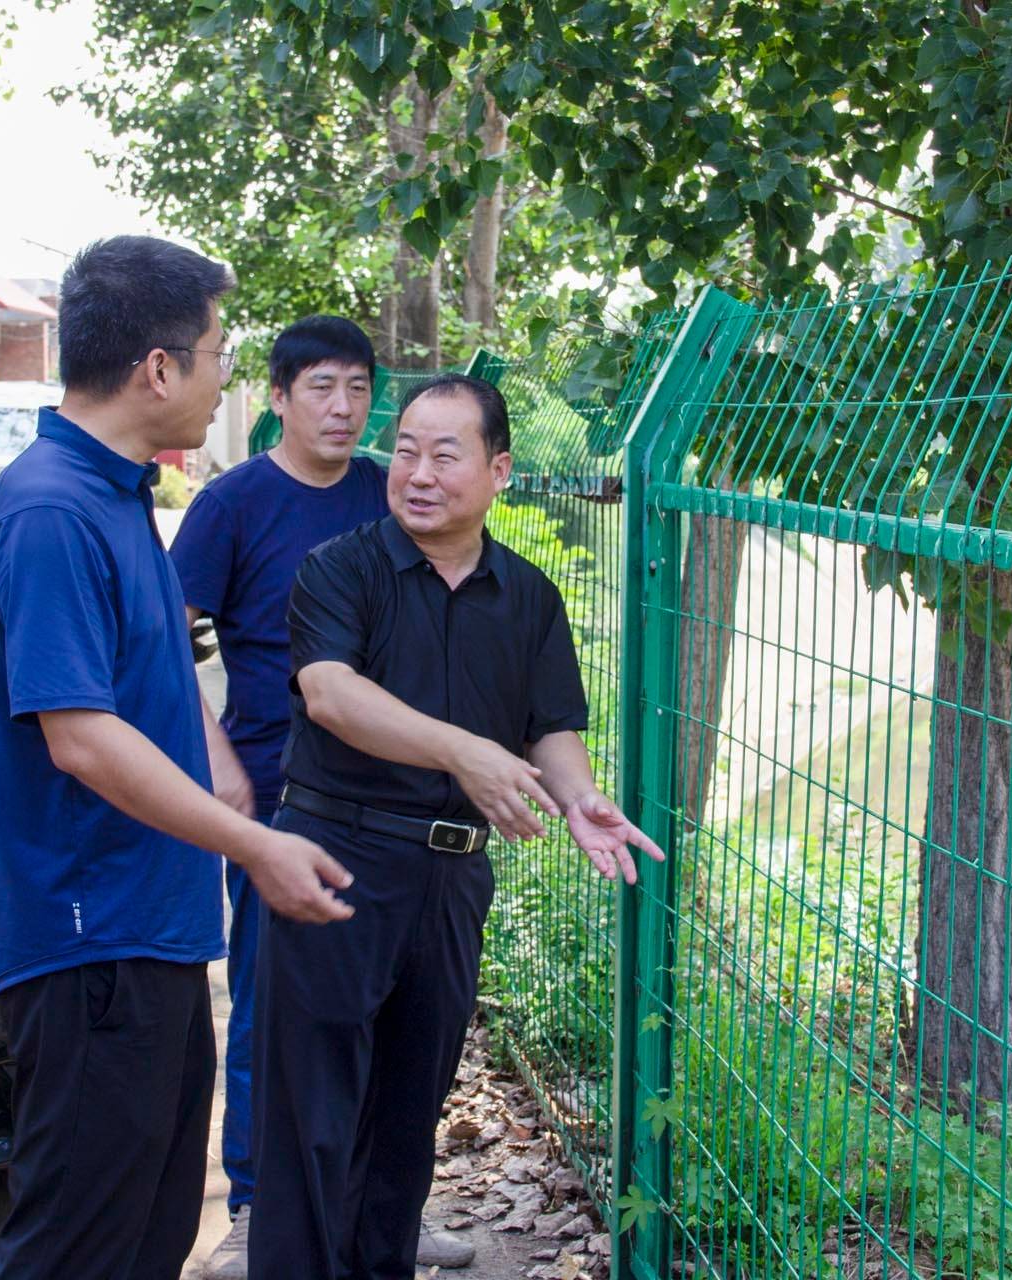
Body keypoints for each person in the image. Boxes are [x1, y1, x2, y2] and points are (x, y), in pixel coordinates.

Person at [0, 235, 355, 1280]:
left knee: (149, 1230)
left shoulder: (119, 493)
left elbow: (147, 679)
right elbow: (79, 735)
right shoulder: (51, 508)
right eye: (219, 349)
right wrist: (255, 844)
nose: (228, 371)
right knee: (78, 1242)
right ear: (158, 368)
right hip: (95, 940)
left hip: (152, 927)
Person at [249, 373, 665, 1279]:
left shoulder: (529, 598)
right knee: (312, 1123)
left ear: (498, 469)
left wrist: (581, 795)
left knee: (407, 1119)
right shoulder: (340, 569)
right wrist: (463, 754)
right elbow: (331, 695)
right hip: (336, 859)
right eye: (404, 451)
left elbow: (550, 726)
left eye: (445, 454)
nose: (418, 473)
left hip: (450, 881)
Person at [172, 317, 473, 1276]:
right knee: (276, 1005)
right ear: (277, 398)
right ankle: (263, 1205)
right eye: (320, 389)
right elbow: (164, 642)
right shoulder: (233, 505)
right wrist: (216, 758)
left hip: (403, 804)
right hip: (279, 795)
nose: (342, 409)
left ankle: (386, 1206)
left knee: (396, 1013)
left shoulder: (395, 488)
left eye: (357, 389)